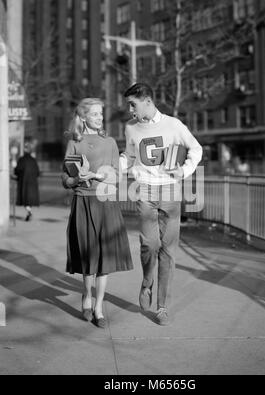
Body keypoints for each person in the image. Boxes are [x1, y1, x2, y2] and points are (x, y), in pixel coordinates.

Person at [120, 83, 203, 326]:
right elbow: (130, 157)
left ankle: (162, 306)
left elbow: (195, 149)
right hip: (144, 189)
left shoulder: (173, 125)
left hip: (170, 190)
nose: (130, 110)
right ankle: (147, 281)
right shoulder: (131, 128)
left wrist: (184, 171)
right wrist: (113, 164)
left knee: (168, 250)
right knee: (149, 245)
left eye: (132, 104)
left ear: (147, 101)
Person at [62, 98, 133, 328]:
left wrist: (97, 176)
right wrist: (75, 178)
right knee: (88, 256)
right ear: (83, 117)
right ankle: (87, 294)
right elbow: (64, 179)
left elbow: (117, 177)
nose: (99, 118)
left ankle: (99, 307)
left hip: (106, 202)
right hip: (83, 203)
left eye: (101, 113)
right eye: (94, 114)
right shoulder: (74, 142)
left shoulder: (110, 142)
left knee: (104, 259)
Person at [15, 142, 40, 222]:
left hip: (24, 183)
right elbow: (37, 172)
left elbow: (17, 170)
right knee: (29, 200)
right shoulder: (33, 160)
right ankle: (29, 212)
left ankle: (29, 212)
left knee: (25, 199)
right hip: (32, 184)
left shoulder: (21, 160)